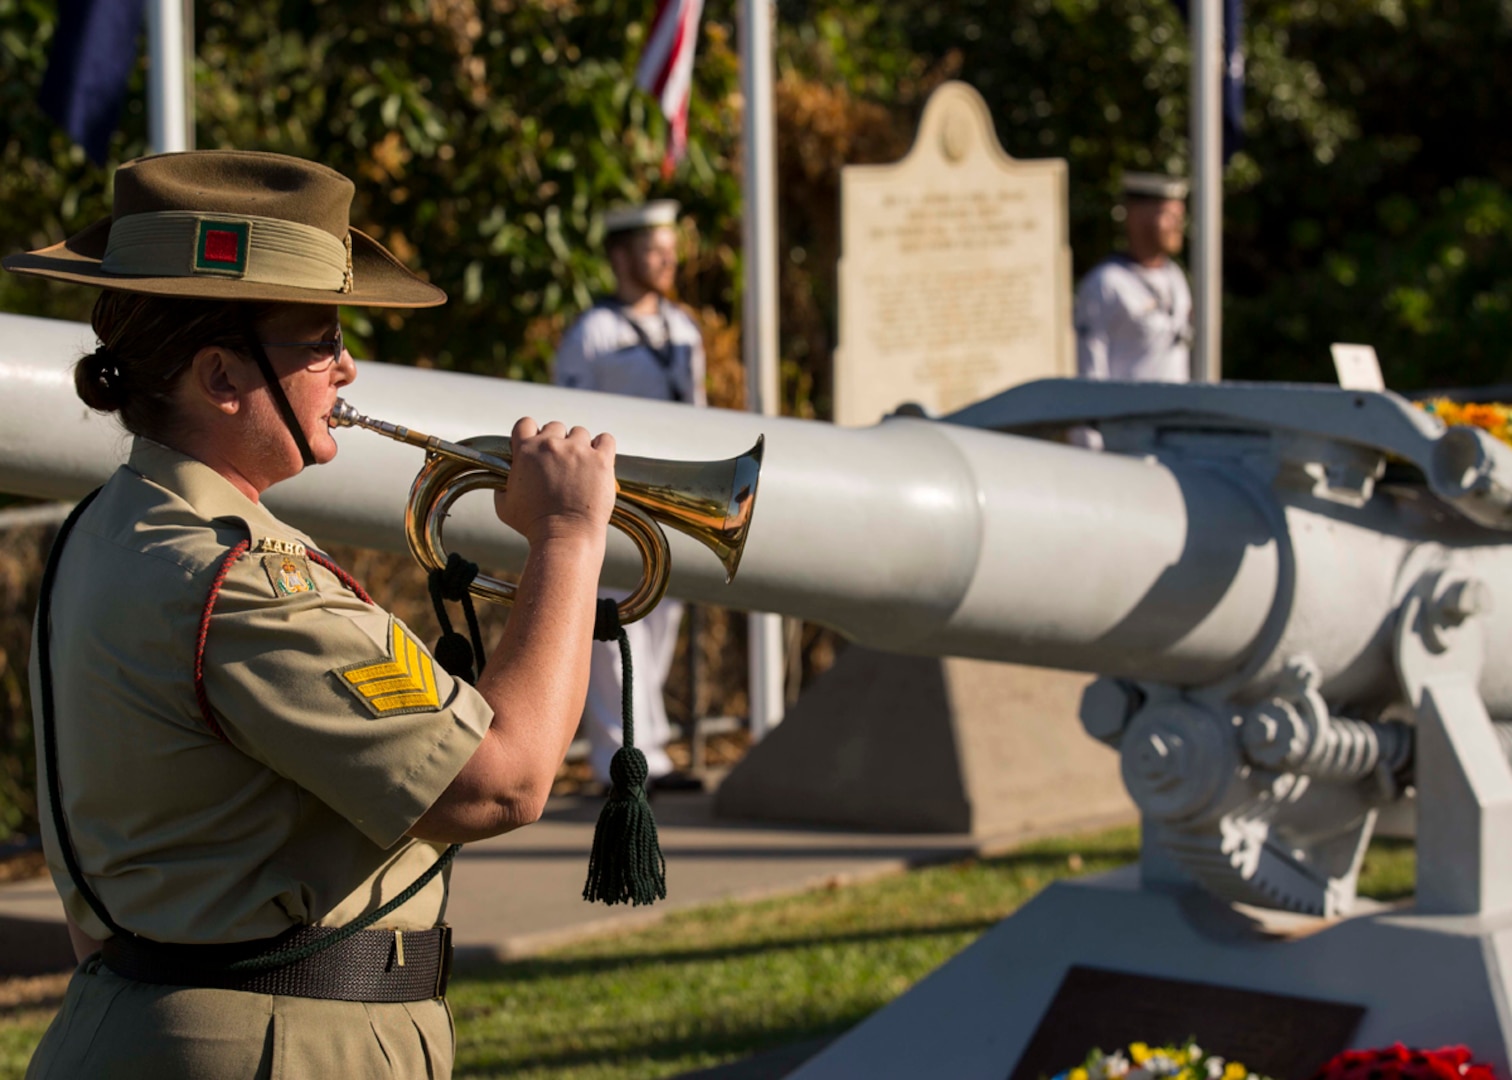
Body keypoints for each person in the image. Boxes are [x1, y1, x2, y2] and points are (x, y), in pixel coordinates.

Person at [2, 149, 617, 1079]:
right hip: (273, 1044)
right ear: (220, 376)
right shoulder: (241, 579)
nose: (347, 366)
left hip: (167, 1020)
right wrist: (569, 538)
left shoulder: (115, 523)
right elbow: (502, 782)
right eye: (321, 338)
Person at [553, 200, 706, 793]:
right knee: (618, 625)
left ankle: (650, 750)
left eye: (670, 247)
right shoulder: (594, 333)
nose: (666, 258)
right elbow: (567, 415)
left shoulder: (682, 327)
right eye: (652, 248)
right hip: (613, 498)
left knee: (661, 618)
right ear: (620, 257)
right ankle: (622, 760)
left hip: (669, 498)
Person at [1073, 172, 1193, 385]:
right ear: (1136, 217)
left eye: (1180, 216)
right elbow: (1090, 373)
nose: (1178, 225)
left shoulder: (1174, 275)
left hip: (1175, 414)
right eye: (1169, 215)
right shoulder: (1106, 283)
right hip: (1131, 416)